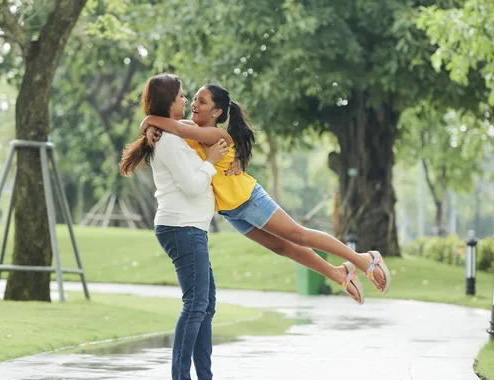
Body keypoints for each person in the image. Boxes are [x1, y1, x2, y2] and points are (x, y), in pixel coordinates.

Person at [140, 83, 392, 305]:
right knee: (283, 248)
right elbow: (172, 126)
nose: (193, 104)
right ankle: (338, 273)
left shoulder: (215, 134)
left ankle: (362, 258)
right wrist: (149, 124)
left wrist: (148, 121)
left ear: (217, 112)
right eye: (193, 98)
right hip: (231, 210)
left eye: (201, 101)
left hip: (248, 199)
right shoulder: (188, 127)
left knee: (298, 235)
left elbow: (173, 126)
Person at [119, 74, 225, 380]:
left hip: (191, 227)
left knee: (205, 305)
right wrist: (210, 162)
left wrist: (147, 122)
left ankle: (204, 379)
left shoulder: (172, 135)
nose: (186, 101)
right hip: (181, 227)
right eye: (181, 96)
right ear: (169, 101)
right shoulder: (168, 140)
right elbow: (193, 185)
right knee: (195, 304)